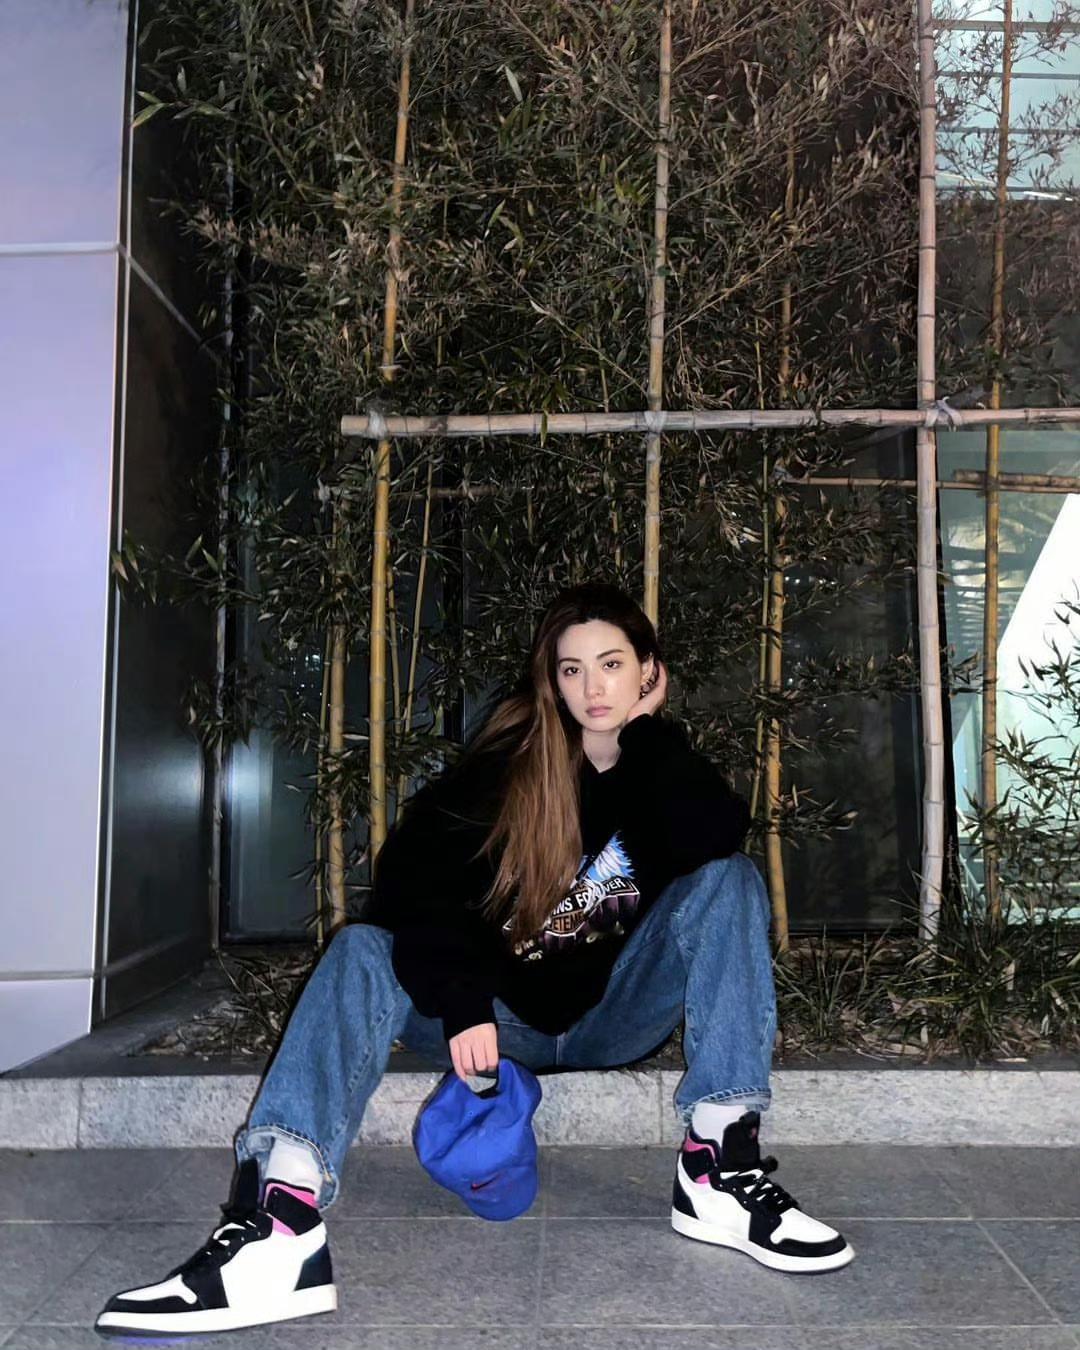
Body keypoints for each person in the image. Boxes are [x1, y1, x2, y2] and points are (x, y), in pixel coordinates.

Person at [96, 581, 853, 1339]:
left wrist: (647, 734)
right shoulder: (505, 768)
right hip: (495, 1020)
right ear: (551, 680)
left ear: (648, 672)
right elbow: (409, 890)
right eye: (572, 669)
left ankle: (719, 1164)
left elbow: (715, 831)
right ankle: (279, 1225)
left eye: (613, 665)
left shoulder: (661, 768)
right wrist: (462, 999)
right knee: (361, 949)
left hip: (611, 1015)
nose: (593, 688)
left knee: (729, 880)